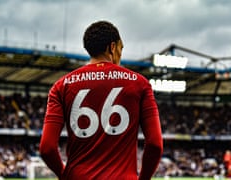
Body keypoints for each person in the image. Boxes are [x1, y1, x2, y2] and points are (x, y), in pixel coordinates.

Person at [39, 20, 163, 180]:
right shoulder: (140, 84)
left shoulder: (61, 86)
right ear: (112, 47)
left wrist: (65, 175)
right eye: (120, 48)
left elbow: (47, 148)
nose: (120, 53)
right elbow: (155, 144)